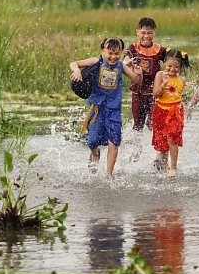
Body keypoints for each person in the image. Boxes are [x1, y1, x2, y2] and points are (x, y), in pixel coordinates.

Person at [70, 37, 143, 176]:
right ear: (103, 50)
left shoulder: (121, 66)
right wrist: (77, 71)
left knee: (114, 142)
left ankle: (109, 174)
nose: (113, 57)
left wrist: (139, 73)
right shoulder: (97, 61)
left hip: (114, 110)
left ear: (121, 52)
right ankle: (94, 152)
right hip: (96, 108)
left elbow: (137, 80)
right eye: (110, 53)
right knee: (92, 141)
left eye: (117, 53)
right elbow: (74, 63)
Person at [125, 18, 166, 161]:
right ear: (137, 32)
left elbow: (172, 63)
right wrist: (127, 63)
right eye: (143, 32)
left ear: (154, 33)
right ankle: (137, 148)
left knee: (156, 121)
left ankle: (158, 153)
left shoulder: (160, 50)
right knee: (138, 121)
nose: (146, 36)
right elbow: (125, 61)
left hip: (154, 91)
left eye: (150, 32)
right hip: (137, 89)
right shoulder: (132, 48)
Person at [151, 49, 191, 177]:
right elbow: (155, 94)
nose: (172, 69)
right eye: (169, 66)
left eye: (176, 67)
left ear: (180, 66)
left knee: (172, 137)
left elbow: (182, 87)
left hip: (175, 112)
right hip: (160, 111)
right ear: (164, 63)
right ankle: (165, 167)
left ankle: (173, 168)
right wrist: (164, 84)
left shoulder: (182, 80)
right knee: (162, 140)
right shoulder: (160, 75)